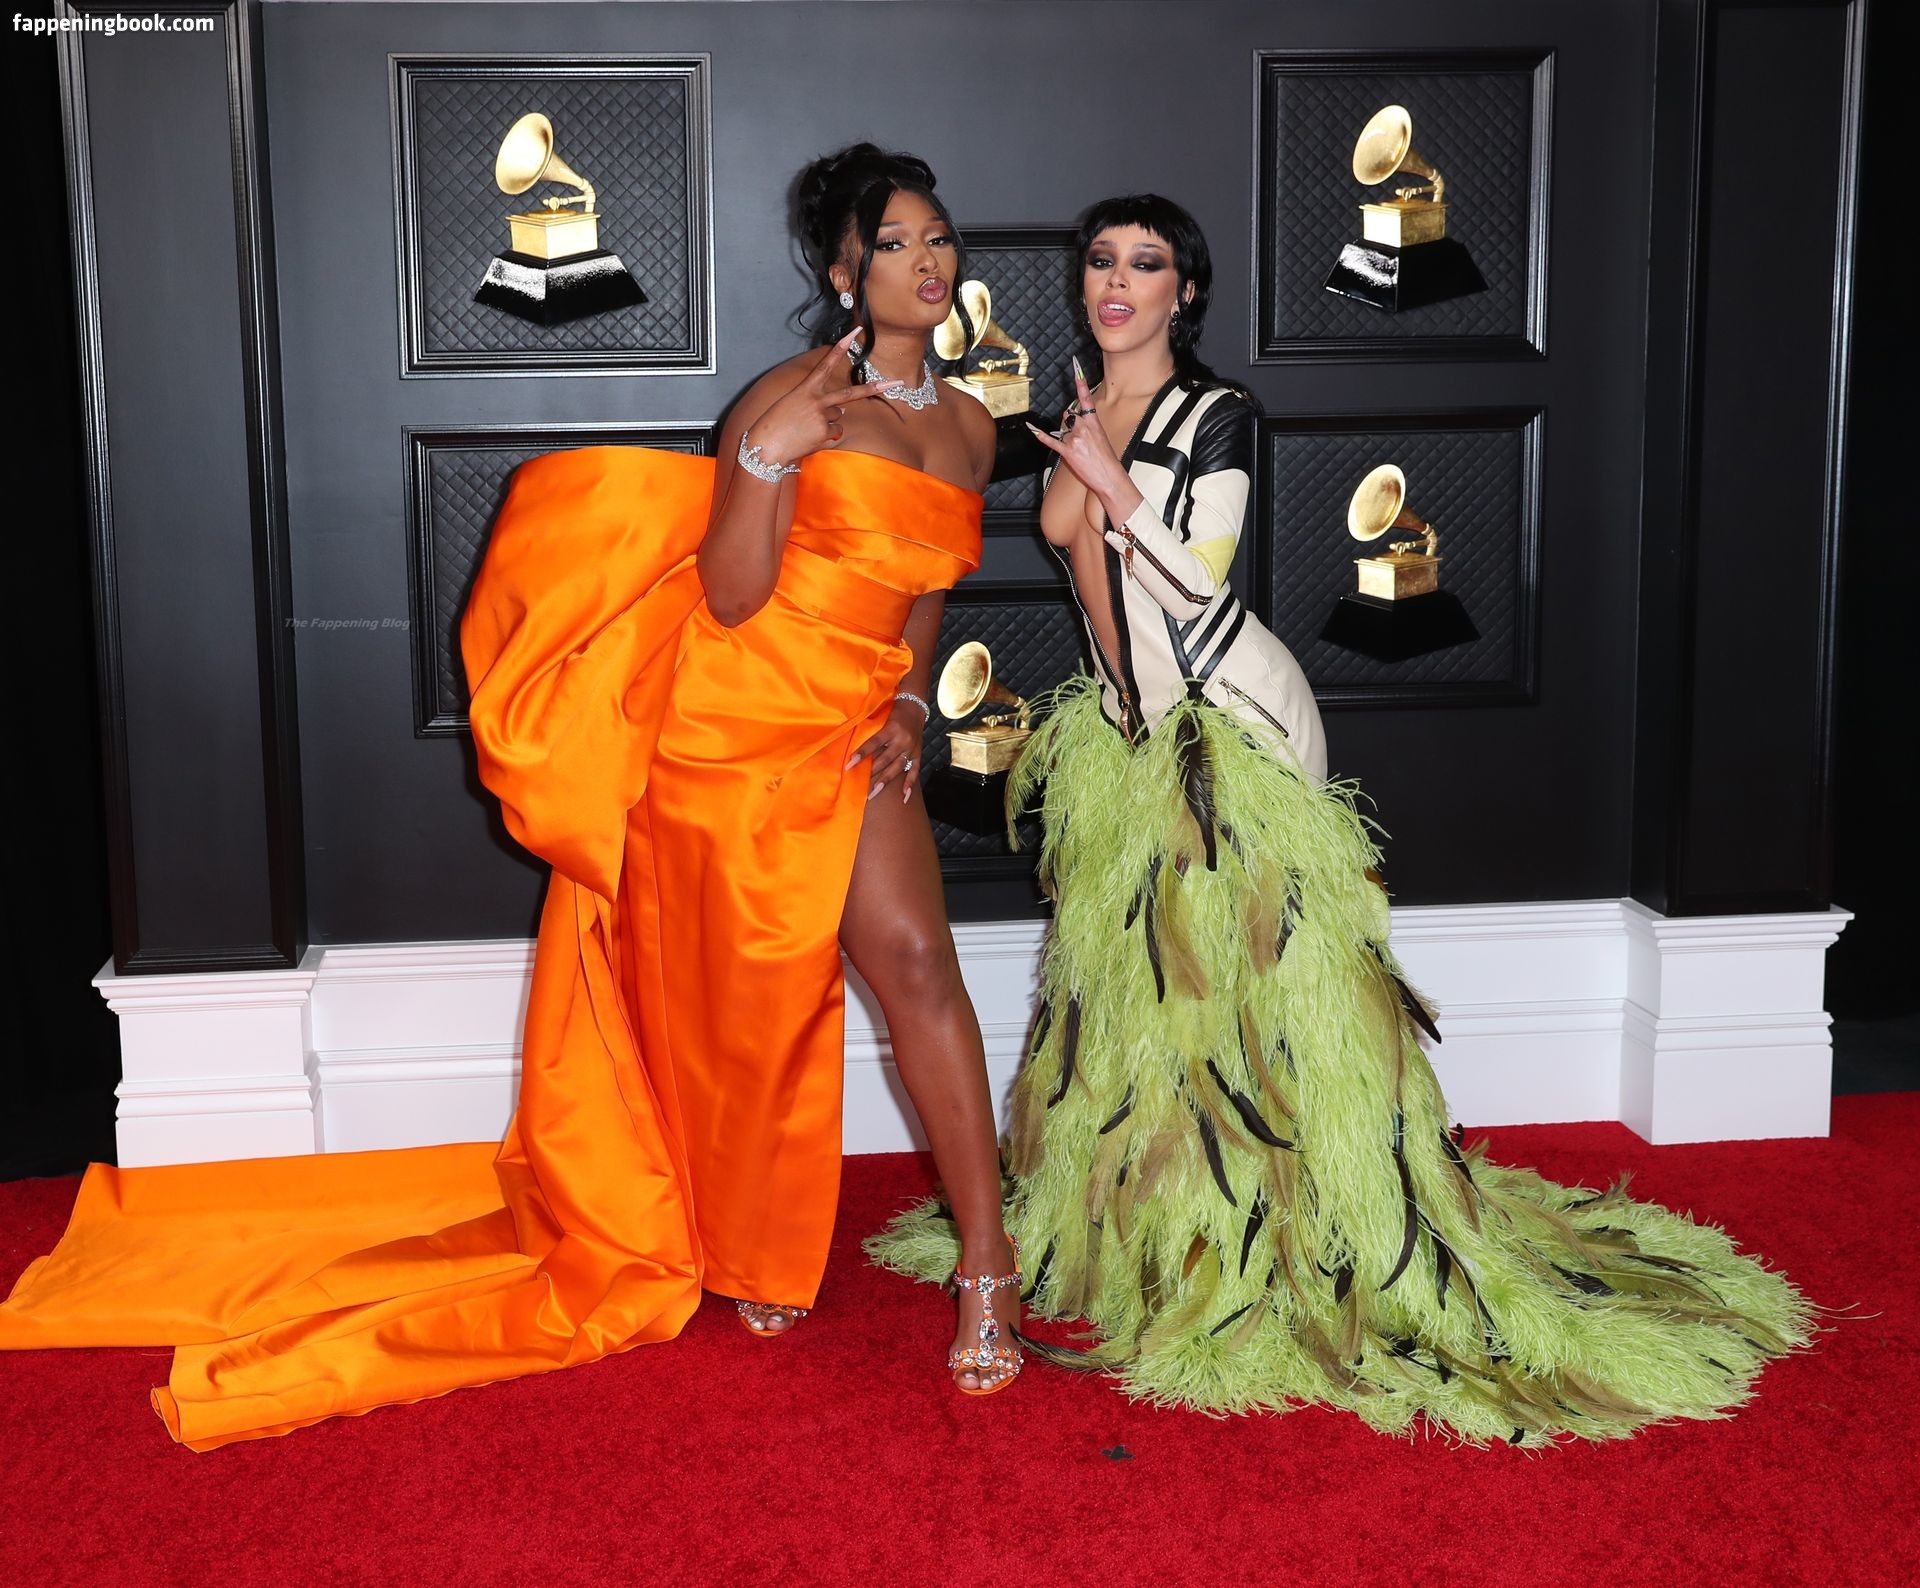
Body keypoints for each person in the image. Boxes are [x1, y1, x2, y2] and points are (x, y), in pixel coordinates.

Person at [0, 143, 1021, 1450]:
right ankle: (746, 1243)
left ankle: (988, 1263)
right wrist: (768, 460)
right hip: (730, 731)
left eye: (938, 238)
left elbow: (928, 586)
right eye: (893, 244)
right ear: (841, 273)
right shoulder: (786, 400)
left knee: (918, 964)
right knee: (745, 1010)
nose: (925, 262)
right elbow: (727, 596)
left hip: (855, 731)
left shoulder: (970, 425)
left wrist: (911, 704)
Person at [864, 193, 1825, 1446]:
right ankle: (1173, 1236)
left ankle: (1319, 1242)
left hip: (1232, 730)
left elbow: (1198, 597)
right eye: (1101, 260)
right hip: (1126, 739)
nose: (1118, 282)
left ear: (1183, 293)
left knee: (1273, 1008)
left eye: (1147, 264)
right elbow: (1043, 554)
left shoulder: (1216, 414)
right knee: (1152, 1009)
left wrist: (1109, 487)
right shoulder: (1073, 407)